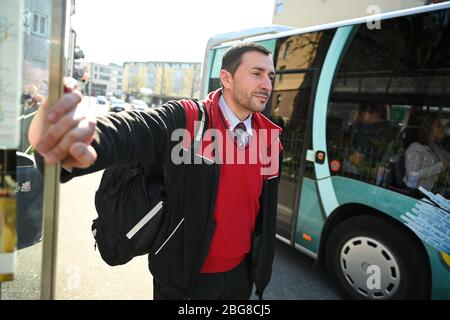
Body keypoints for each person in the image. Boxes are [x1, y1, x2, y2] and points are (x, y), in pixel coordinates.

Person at [28, 43, 282, 300]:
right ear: (226, 78)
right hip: (183, 280)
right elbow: (133, 130)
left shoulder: (271, 138)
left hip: (241, 280)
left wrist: (259, 272)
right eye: (257, 73)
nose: (267, 85)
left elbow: (264, 213)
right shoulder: (189, 120)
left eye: (270, 76)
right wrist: (73, 142)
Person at [345, 103, 398, 175]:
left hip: (362, 173)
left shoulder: (367, 131)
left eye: (363, 112)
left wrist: (346, 156)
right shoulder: (394, 130)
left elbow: (357, 159)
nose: (361, 115)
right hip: (384, 174)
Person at [403, 114, 450, 193]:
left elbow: (447, 156)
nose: (443, 128)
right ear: (428, 129)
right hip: (418, 193)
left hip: (434, 190)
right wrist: (441, 166)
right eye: (439, 126)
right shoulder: (415, 148)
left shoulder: (433, 147)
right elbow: (412, 176)